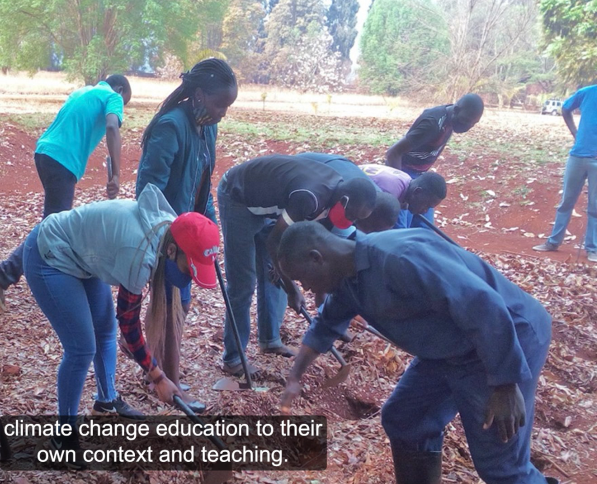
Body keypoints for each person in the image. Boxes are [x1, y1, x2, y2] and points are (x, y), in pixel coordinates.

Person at [278, 222, 555, 484]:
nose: (307, 289)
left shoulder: (400, 258)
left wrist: (505, 383)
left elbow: (483, 307)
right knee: (406, 419)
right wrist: (294, 377)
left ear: (316, 258)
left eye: (302, 279)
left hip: (504, 338)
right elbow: (325, 326)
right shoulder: (347, 281)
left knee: (501, 464)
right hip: (450, 350)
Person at [22, 184, 220, 468]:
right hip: (49, 255)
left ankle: (106, 401)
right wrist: (158, 377)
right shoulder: (140, 254)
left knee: (104, 331)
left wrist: (152, 367)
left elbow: (124, 327)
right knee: (81, 348)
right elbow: (129, 323)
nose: (189, 276)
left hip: (84, 255)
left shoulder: (170, 232)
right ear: (172, 251)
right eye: (189, 268)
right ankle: (62, 439)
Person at [217, 154, 377, 377]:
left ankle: (270, 339)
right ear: (345, 200)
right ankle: (233, 358)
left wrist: (324, 305)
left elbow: (320, 252)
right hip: (239, 195)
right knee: (243, 284)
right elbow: (275, 241)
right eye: (352, 214)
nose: (351, 221)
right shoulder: (310, 198)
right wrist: (292, 288)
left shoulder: (334, 200)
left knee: (275, 271)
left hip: (271, 204)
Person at [133, 58, 237, 394]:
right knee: (170, 303)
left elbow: (202, 187)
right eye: (220, 104)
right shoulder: (170, 127)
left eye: (228, 107)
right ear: (200, 94)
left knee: (180, 301)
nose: (223, 113)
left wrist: (211, 232)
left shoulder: (207, 128)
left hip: (191, 234)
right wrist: (168, 238)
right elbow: (148, 192)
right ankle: (161, 378)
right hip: (167, 235)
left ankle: (156, 368)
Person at [0, 75, 133, 308]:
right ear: (120, 89)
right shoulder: (113, 96)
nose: (122, 108)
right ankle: (4, 275)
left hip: (45, 153)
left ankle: (40, 272)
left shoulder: (84, 91)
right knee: (52, 227)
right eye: (125, 103)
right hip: (63, 160)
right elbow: (112, 127)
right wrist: (116, 175)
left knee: (54, 223)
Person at [386, 93, 483, 227]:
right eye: (466, 121)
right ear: (456, 110)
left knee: (425, 228)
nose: (468, 126)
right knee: (401, 229)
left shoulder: (450, 119)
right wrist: (400, 195)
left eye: (473, 123)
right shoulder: (433, 124)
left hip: (419, 176)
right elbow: (393, 153)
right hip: (404, 176)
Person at [533, 84, 597, 262]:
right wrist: (575, 133)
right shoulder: (587, 93)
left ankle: (592, 248)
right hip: (577, 156)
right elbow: (566, 108)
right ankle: (553, 242)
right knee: (566, 201)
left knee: (595, 206)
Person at [360, 164, 446, 229]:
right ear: (417, 191)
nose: (425, 211)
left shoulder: (406, 179)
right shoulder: (389, 195)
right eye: (426, 205)